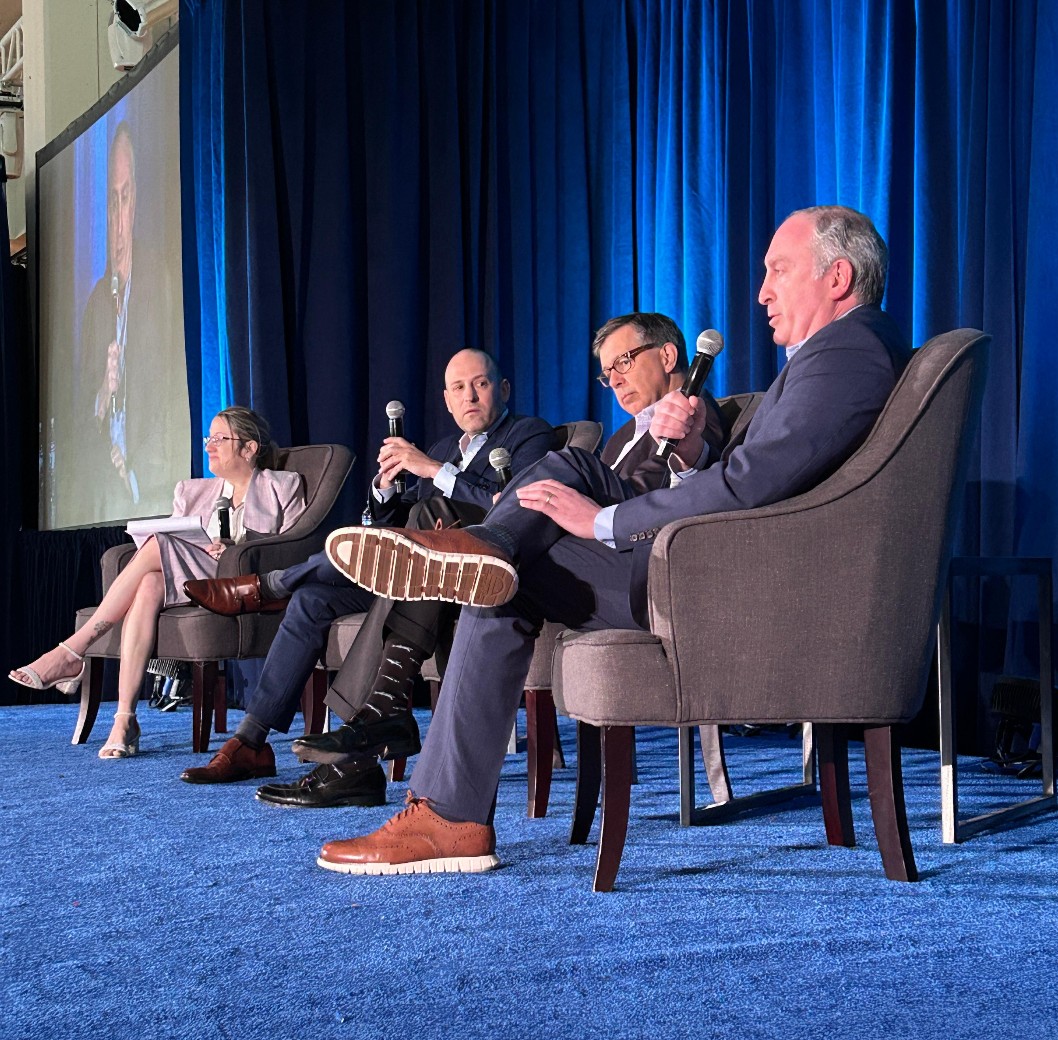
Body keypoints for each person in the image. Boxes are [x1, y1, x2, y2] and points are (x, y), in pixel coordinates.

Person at [312, 205, 914, 876]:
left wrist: (600, 522)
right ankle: (448, 801)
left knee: (520, 545)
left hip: (724, 589)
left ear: (837, 276)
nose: (762, 291)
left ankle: (449, 811)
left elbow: (748, 487)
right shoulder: (838, 354)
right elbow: (758, 481)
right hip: (711, 567)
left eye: (778, 270)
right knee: (515, 556)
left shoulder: (848, 352)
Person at [284, 312, 739, 793]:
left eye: (623, 361)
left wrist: (686, 449)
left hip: (644, 570)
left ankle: (478, 549)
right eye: (607, 373)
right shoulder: (625, 436)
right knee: (471, 568)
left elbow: (687, 494)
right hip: (585, 557)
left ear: (668, 355)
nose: (615, 380)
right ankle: (377, 727)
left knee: (555, 476)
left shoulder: (696, 411)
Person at [177, 349, 554, 793]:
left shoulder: (530, 434)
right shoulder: (442, 448)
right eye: (458, 388)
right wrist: (385, 491)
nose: (469, 395)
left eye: (481, 383)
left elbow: (512, 507)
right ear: (446, 400)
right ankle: (250, 741)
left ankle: (271, 589)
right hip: (414, 578)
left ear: (503, 389)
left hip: (474, 580)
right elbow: (396, 525)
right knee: (313, 600)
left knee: (427, 514)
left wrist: (432, 472)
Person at [9, 407, 304, 759]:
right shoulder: (192, 492)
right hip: (194, 577)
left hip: (243, 581)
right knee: (149, 583)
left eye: (218, 439)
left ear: (249, 447)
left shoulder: (282, 485)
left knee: (156, 547)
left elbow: (292, 548)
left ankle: (73, 651)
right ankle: (124, 719)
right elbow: (179, 542)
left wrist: (237, 546)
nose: (209, 446)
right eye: (207, 438)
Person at [79, 120, 188, 519]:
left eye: (126, 198)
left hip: (154, 489)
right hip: (110, 494)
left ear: (137, 201)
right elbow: (79, 426)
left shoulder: (160, 282)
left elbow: (172, 399)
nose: (119, 219)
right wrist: (104, 394)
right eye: (112, 201)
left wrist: (137, 474)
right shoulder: (95, 304)